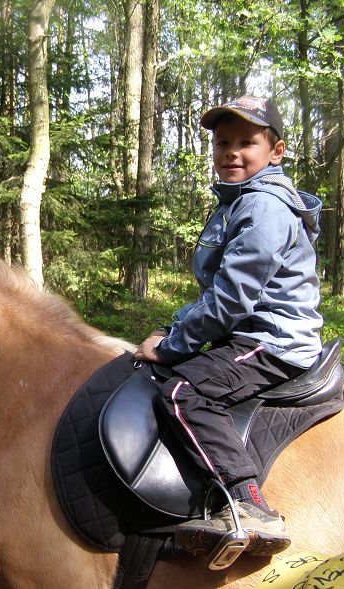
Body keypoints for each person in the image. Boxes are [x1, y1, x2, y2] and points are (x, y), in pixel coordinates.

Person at [134, 96, 323, 557]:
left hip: (272, 341)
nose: (231, 152)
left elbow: (230, 300)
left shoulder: (264, 207)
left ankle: (248, 503)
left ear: (275, 152)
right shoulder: (236, 203)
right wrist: (172, 329)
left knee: (183, 393)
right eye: (222, 143)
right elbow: (215, 293)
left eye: (246, 143)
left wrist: (172, 346)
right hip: (248, 332)